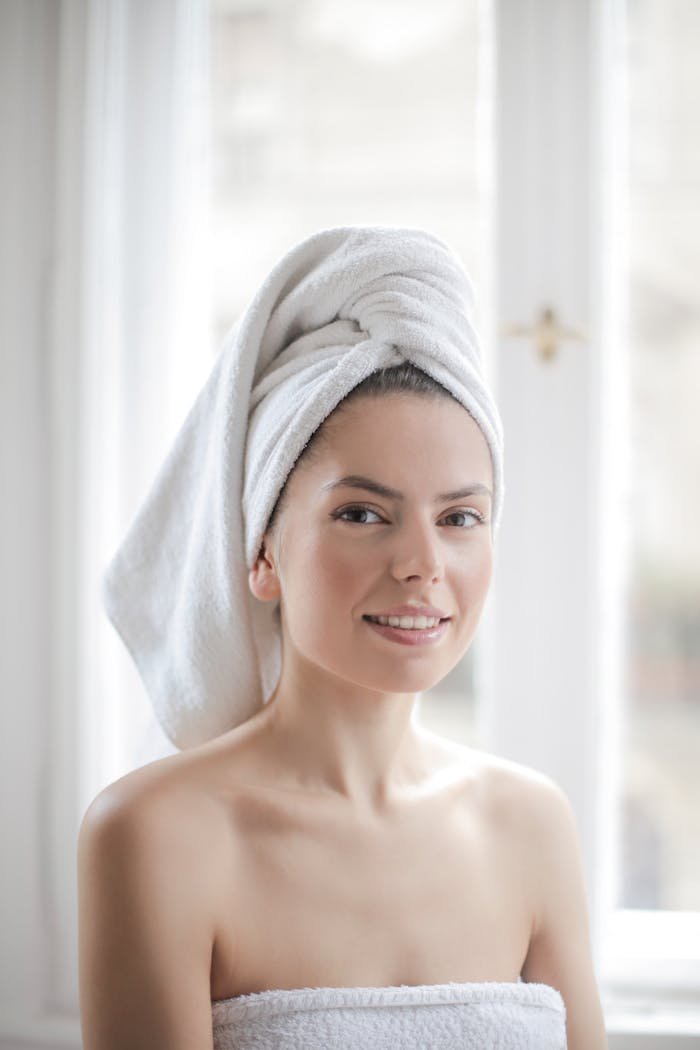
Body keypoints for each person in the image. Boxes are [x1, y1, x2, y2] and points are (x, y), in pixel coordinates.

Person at [77, 226, 608, 1049]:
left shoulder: (531, 824)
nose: (423, 566)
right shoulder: (155, 835)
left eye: (460, 517)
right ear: (261, 554)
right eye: (363, 514)